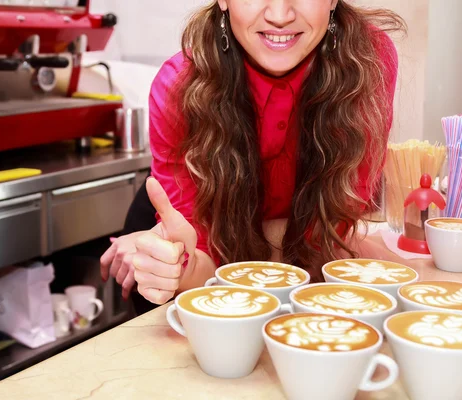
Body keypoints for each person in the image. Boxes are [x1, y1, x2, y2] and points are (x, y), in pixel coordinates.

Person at [100, 0, 405, 308]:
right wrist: (179, 266)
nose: (279, 16)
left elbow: (327, 235)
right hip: (189, 247)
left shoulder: (368, 62)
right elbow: (204, 258)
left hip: (283, 256)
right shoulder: (178, 85)